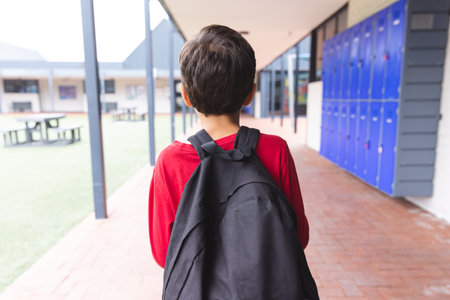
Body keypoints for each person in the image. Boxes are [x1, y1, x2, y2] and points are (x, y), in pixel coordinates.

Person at [148, 24, 309, 268]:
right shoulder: (275, 149)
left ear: (186, 96)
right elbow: (299, 236)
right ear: (250, 95)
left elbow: (164, 254)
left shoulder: (171, 161)